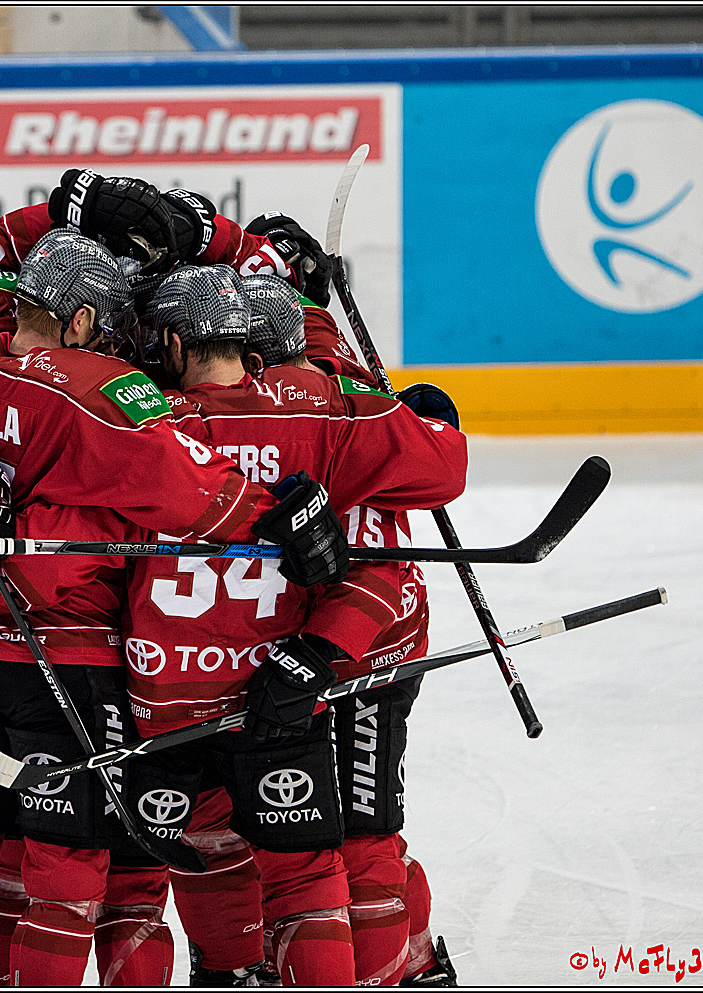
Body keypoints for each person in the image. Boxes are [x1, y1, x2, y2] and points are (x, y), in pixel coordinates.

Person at [0, 182, 349, 988]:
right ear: (92, 320)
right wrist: (287, 511)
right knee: (81, 888)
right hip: (87, 669)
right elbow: (196, 489)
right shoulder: (108, 397)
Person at [115, 262, 467, 987]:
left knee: (345, 841)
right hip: (299, 669)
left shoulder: (156, 426)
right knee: (319, 858)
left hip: (333, 667)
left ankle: (380, 964)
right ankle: (301, 966)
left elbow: (383, 571)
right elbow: (415, 506)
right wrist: (429, 422)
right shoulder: (326, 413)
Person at [239, 259, 460, 987]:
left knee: (363, 831)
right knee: (315, 832)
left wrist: (430, 430)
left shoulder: (348, 400)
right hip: (298, 647)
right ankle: (412, 956)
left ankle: (400, 965)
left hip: (374, 653)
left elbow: (385, 555)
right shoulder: (308, 390)